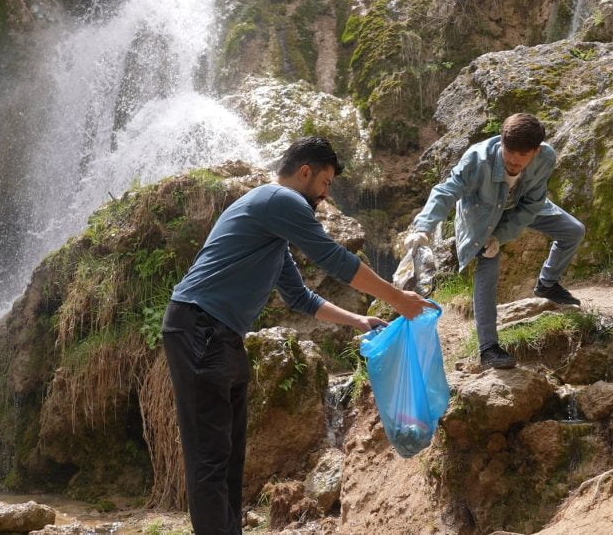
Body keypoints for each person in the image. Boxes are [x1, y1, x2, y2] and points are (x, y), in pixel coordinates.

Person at [162, 136, 432, 535]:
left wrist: (358, 321)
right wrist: (396, 298)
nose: (325, 195)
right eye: (325, 183)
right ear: (305, 172)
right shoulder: (279, 200)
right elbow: (334, 259)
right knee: (210, 456)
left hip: (220, 336)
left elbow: (300, 297)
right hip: (198, 328)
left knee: (229, 455)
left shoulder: (271, 229)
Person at [404, 113, 585, 370]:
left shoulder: (546, 158)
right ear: (501, 141)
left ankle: (547, 284)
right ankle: (488, 348)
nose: (513, 160)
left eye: (522, 155)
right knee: (488, 264)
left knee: (573, 230)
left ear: (535, 151)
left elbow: (532, 205)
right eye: (508, 151)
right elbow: (446, 191)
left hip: (522, 207)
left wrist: (501, 236)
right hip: (481, 216)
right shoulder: (477, 159)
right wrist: (423, 228)